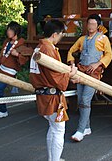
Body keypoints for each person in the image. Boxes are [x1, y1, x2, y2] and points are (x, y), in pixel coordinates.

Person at [30, 20, 77, 161]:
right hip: (51, 94)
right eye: (61, 34)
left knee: (53, 127)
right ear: (55, 34)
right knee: (58, 129)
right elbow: (55, 77)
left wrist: (68, 74)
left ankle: (53, 158)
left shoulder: (39, 47)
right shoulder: (48, 49)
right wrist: (70, 74)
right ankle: (54, 159)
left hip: (43, 92)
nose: (61, 37)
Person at [67, 14, 112, 142]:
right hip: (81, 71)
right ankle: (86, 127)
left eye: (93, 24)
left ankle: (80, 130)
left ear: (98, 26)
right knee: (80, 99)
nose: (91, 27)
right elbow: (71, 51)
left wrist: (98, 63)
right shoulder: (82, 39)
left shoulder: (103, 38)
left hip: (94, 73)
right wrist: (72, 64)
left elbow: (109, 54)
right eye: (89, 24)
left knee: (86, 100)